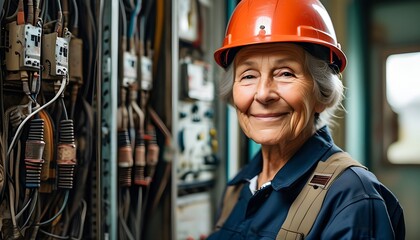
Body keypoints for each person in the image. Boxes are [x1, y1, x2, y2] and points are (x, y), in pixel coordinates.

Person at [208, 0, 405, 239]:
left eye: (286, 73)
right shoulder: (238, 187)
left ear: (321, 94)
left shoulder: (352, 197)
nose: (263, 94)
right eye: (248, 76)